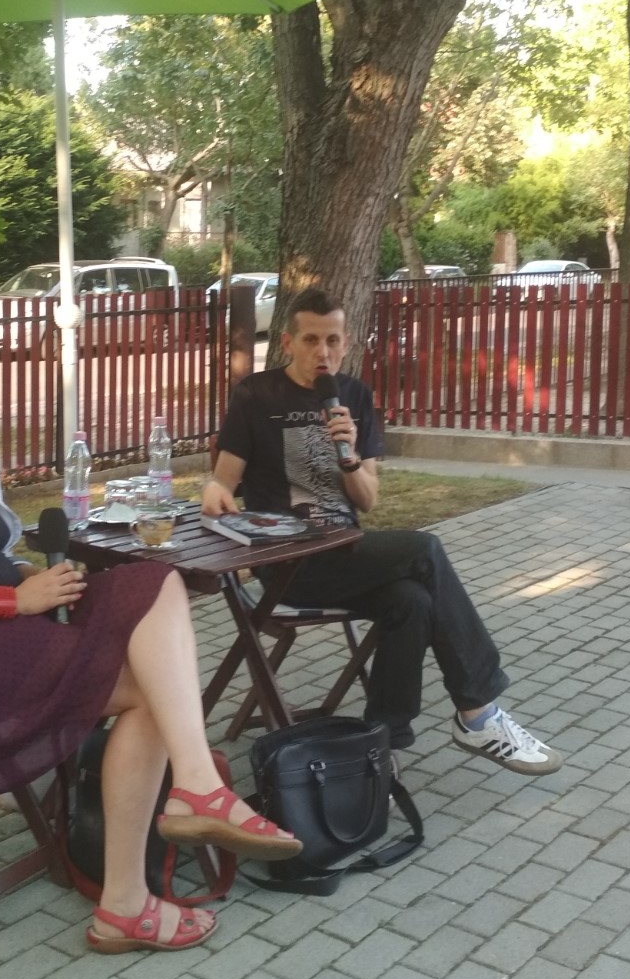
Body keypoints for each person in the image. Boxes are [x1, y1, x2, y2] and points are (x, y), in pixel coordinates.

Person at [0, 309, 301, 955]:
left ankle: (192, 790)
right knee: (148, 690)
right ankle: (135, 887)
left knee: (153, 581)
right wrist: (11, 599)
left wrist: (30, 576)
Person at [202, 287, 561, 775]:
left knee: (412, 600)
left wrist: (349, 456)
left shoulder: (354, 396)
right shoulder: (256, 395)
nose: (322, 351)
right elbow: (223, 480)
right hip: (288, 563)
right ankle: (478, 711)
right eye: (310, 339)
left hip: (345, 551)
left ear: (346, 343)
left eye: (332, 340)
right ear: (288, 342)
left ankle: (381, 743)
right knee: (424, 548)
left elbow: (367, 500)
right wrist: (215, 492)